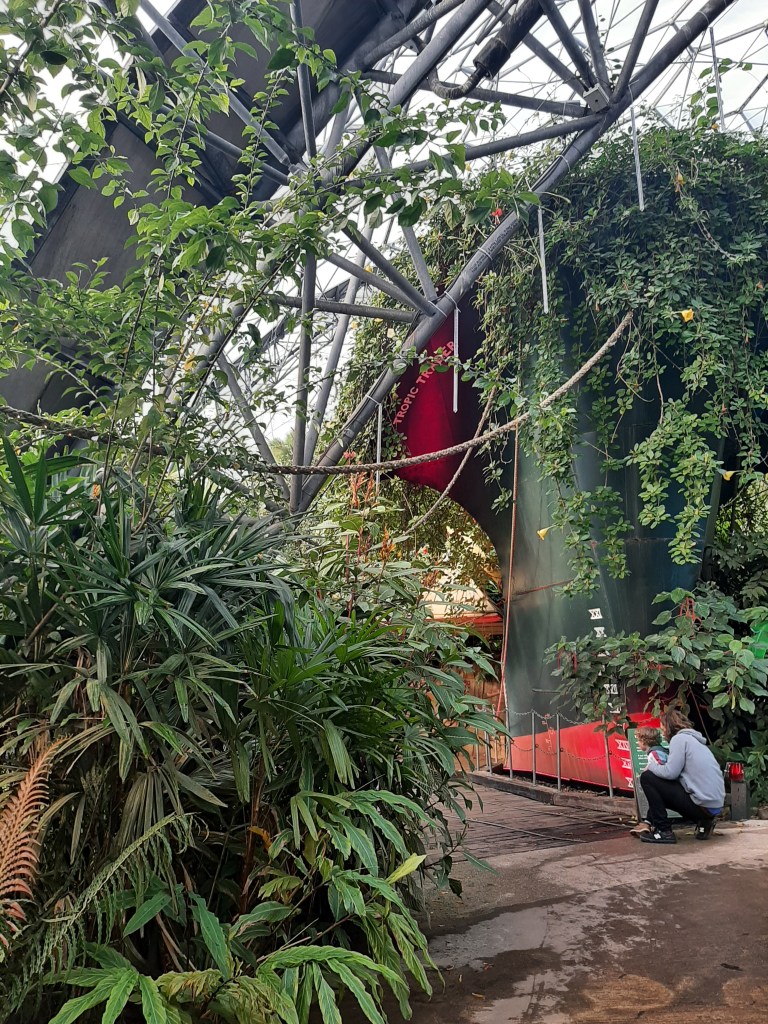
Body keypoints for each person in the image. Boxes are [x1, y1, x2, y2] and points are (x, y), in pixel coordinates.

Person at [640, 709, 725, 845]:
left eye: (662, 728)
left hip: (701, 806)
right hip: (713, 807)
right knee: (658, 792)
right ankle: (705, 823)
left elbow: (670, 773)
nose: (662, 733)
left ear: (669, 727)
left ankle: (664, 831)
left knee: (647, 778)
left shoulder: (679, 740)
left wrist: (651, 766)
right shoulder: (695, 741)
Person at [629, 727, 668, 838]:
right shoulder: (658, 751)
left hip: (663, 786)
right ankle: (647, 822)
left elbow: (662, 767)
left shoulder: (655, 754)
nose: (637, 743)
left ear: (644, 741)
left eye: (638, 741)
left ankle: (653, 825)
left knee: (654, 798)